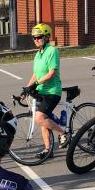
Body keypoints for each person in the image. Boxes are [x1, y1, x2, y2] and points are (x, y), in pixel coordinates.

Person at [23, 23, 67, 159]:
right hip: (41, 91)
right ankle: (48, 150)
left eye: (39, 37)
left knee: (40, 118)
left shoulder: (52, 51)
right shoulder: (38, 54)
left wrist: (36, 84)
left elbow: (51, 73)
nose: (36, 40)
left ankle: (63, 134)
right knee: (43, 120)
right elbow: (36, 74)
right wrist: (25, 89)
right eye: (34, 38)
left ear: (47, 37)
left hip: (52, 91)